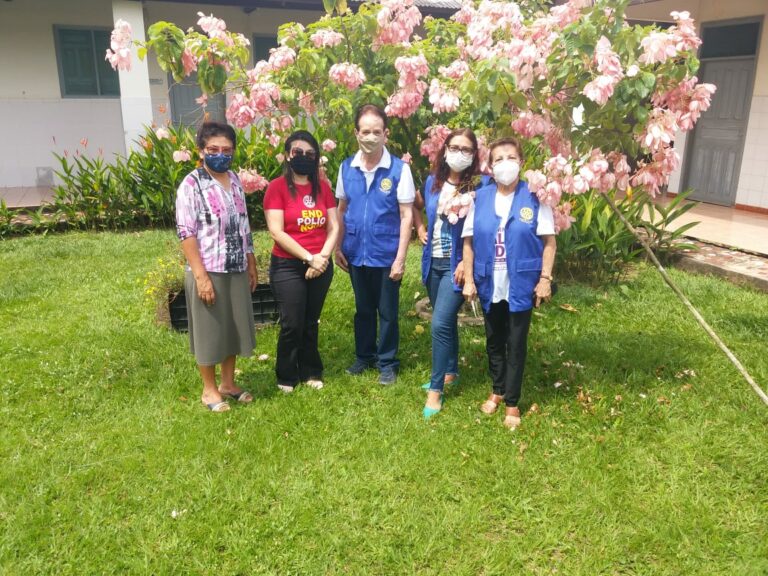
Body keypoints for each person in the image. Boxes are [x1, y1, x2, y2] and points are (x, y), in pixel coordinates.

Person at [461, 137, 557, 429]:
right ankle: (497, 389)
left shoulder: (535, 197)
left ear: (521, 162)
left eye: (511, 157)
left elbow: (549, 243)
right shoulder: (481, 197)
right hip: (490, 282)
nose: (505, 164)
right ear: (490, 167)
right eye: (498, 159)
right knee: (494, 341)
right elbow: (468, 242)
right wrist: (468, 279)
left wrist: (545, 279)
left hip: (520, 283)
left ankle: (512, 402)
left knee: (516, 343)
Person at [175, 121, 258, 412]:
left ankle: (228, 384)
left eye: (226, 149)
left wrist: (251, 261)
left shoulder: (234, 180)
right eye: (213, 149)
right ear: (201, 151)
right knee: (211, 329)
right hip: (208, 267)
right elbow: (186, 232)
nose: (220, 154)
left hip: (235, 265)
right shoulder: (191, 184)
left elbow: (244, 224)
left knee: (232, 327)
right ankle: (209, 390)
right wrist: (201, 276)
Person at [335, 104, 415, 385]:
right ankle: (364, 356)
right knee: (363, 309)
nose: (370, 136)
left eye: (376, 132)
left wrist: (400, 259)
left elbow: (406, 217)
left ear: (386, 134)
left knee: (388, 312)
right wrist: (337, 247)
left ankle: (387, 362)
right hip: (356, 252)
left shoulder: (398, 170)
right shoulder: (347, 168)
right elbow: (341, 210)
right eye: (365, 131)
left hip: (386, 253)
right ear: (356, 133)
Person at [264, 131, 339, 393]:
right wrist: (309, 258)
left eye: (310, 154)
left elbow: (334, 226)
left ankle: (311, 370)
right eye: (297, 152)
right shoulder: (276, 188)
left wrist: (323, 259)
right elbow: (276, 231)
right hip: (288, 265)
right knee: (292, 322)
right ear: (287, 155)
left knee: (310, 320)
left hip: (320, 264)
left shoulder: (324, 188)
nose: (304, 158)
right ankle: (286, 374)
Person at [416, 128, 480, 419]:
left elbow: (484, 228)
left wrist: (468, 263)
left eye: (467, 149)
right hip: (433, 263)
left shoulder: (480, 186)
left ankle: (436, 389)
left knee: (439, 324)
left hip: (457, 266)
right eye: (455, 147)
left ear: (475, 154)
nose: (460, 153)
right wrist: (419, 227)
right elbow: (416, 207)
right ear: (444, 150)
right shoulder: (433, 182)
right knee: (447, 323)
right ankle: (451, 369)